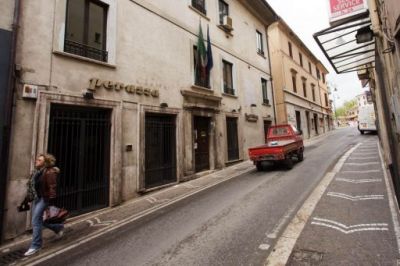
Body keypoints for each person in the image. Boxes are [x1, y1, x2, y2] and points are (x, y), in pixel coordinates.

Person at [24, 153, 64, 256]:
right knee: (38, 220)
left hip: (44, 198)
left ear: (45, 163)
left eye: (40, 160)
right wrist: (27, 199)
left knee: (35, 221)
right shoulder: (36, 172)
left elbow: (52, 187)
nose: (37, 161)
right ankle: (58, 227)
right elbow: (32, 188)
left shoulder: (49, 172)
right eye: (37, 159)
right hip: (36, 198)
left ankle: (36, 245)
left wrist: (50, 201)